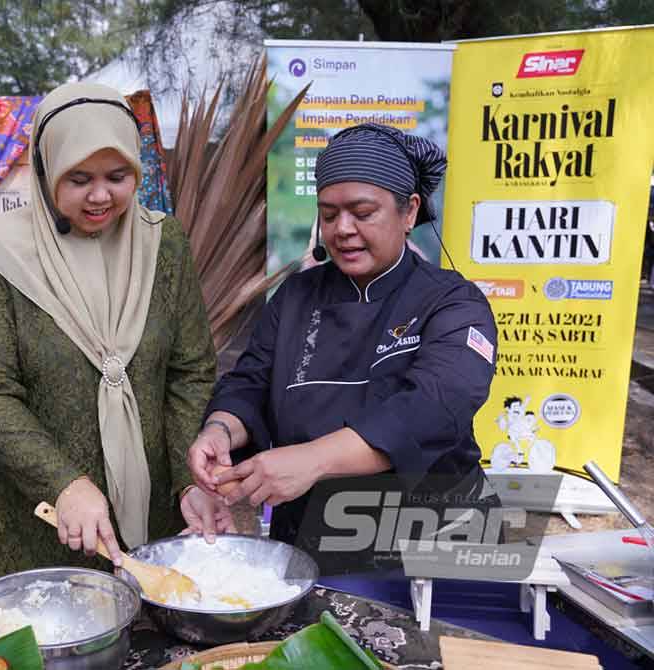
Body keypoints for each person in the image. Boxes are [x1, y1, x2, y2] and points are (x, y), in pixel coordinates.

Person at [0, 82, 229, 579]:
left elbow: (190, 372)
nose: (101, 196)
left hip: (157, 513)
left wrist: (189, 481)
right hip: (47, 522)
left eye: (118, 176)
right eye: (79, 178)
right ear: (46, 171)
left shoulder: (162, 242)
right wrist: (63, 482)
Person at [188, 123, 499, 552]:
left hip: (435, 540)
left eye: (363, 212)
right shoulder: (296, 296)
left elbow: (434, 406)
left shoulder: (453, 302)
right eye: (329, 215)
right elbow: (251, 383)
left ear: (409, 212)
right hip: (312, 538)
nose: (342, 229)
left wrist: (313, 460)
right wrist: (220, 430)